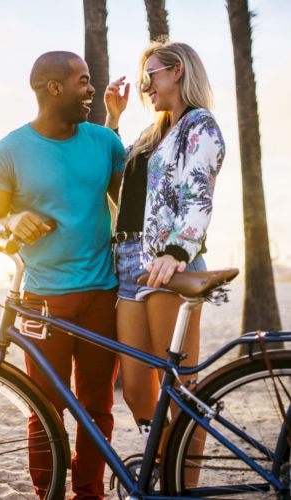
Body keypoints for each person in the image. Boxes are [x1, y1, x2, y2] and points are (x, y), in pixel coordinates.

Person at [0, 51, 125, 499]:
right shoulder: (7, 152)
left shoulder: (105, 142)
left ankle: (89, 494)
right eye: (82, 81)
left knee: (97, 407)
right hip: (42, 301)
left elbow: (128, 202)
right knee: (44, 410)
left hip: (103, 294)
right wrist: (10, 221)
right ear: (53, 87)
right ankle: (49, 494)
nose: (91, 89)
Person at [104, 41, 225, 442]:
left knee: (181, 393)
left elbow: (197, 196)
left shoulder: (199, 126)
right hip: (128, 262)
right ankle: (162, 471)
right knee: (138, 392)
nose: (144, 87)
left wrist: (175, 252)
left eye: (149, 76)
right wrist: (113, 119)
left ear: (177, 71)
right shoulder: (152, 132)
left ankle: (182, 488)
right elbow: (117, 180)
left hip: (168, 263)